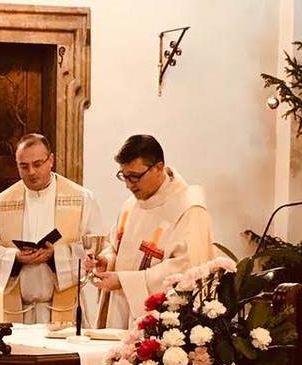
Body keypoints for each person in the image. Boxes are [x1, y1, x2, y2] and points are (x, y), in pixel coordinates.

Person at [0, 133, 105, 326]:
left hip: (63, 312)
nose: (31, 172)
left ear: (51, 160)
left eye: (37, 164)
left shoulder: (82, 199)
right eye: (24, 166)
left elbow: (95, 251)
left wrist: (55, 256)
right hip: (16, 313)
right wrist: (14, 257)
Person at [88, 134, 214, 330]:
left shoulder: (189, 209)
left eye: (135, 176)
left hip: (163, 324)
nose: (129, 185)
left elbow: (187, 269)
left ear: (158, 167)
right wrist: (106, 260)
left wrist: (124, 281)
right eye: (124, 176)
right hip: (121, 310)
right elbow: (115, 247)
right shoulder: (132, 204)